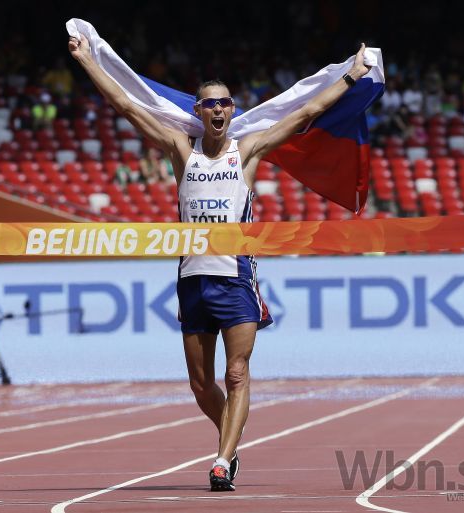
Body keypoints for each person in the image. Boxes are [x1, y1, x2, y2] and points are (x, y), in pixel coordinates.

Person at [69, 34, 370, 491]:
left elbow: (305, 112)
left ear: (232, 110)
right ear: (197, 111)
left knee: (236, 373)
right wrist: (89, 61)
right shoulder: (180, 150)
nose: (217, 110)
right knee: (198, 382)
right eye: (209, 104)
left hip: (235, 277)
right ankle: (232, 434)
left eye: (225, 104)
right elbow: (128, 108)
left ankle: (222, 460)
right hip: (192, 278)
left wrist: (352, 74)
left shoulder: (245, 151)